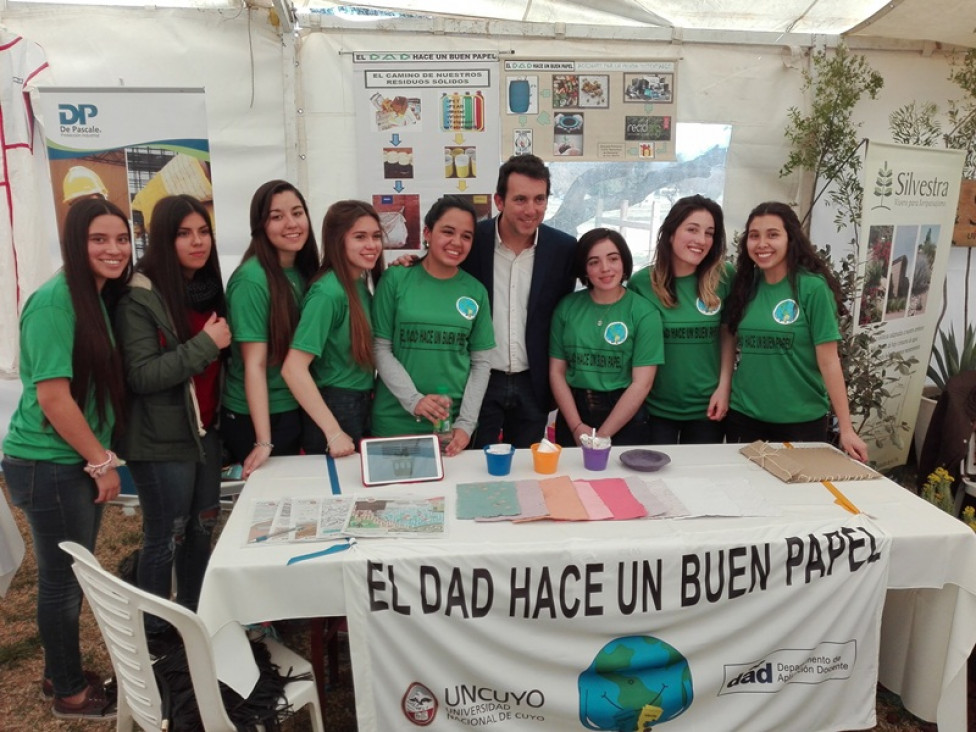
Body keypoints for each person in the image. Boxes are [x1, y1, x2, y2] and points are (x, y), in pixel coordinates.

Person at [2, 198, 131, 720]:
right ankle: (70, 694)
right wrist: (101, 463)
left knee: (69, 574)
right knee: (62, 579)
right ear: (75, 244)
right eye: (99, 239)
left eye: (121, 239)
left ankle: (60, 673)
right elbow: (54, 399)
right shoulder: (56, 302)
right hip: (48, 463)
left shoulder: (92, 296)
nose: (113, 249)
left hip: (64, 462)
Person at [113, 195, 230, 637]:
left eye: (203, 231)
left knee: (203, 527)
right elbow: (141, 375)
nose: (197, 241)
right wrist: (207, 343)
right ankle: (158, 635)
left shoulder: (207, 288)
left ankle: (194, 622)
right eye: (184, 233)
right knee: (167, 537)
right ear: (164, 238)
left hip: (205, 431)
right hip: (161, 439)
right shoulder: (139, 297)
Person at [724, 201, 869, 461]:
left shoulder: (812, 288)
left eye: (773, 234)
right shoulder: (745, 286)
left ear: (791, 239)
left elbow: (829, 362)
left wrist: (846, 429)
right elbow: (729, 340)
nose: (762, 243)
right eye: (754, 236)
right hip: (744, 417)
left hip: (800, 422)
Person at [462, 154, 577, 448]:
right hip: (480, 379)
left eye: (539, 199)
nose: (531, 210)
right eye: (521, 199)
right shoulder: (473, 241)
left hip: (534, 381)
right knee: (475, 462)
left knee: (527, 471)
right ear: (499, 201)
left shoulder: (563, 249)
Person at [371, 195, 495, 455]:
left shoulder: (476, 291)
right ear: (427, 232)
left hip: (449, 430)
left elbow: (481, 363)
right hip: (394, 423)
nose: (456, 243)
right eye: (447, 232)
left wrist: (466, 424)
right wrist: (414, 401)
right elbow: (380, 348)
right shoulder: (396, 279)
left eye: (466, 236)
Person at [221, 180, 319, 477]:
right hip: (259, 417)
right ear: (260, 225)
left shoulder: (303, 270)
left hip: (295, 408)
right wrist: (264, 441)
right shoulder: (251, 280)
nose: (291, 224)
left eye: (297, 213)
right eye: (277, 217)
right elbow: (255, 364)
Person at [628, 195, 735, 444]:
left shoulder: (725, 277)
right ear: (671, 232)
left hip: (708, 408)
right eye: (692, 229)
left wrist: (724, 387)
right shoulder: (641, 283)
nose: (701, 240)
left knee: (700, 481)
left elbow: (728, 336)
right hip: (654, 410)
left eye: (709, 233)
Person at [282, 200, 384, 456]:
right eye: (360, 237)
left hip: (360, 402)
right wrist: (333, 431)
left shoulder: (359, 283)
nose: (371, 245)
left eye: (375, 236)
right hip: (335, 405)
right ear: (338, 240)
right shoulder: (328, 292)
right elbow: (293, 368)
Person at [550, 228, 663, 446]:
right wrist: (576, 426)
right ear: (584, 268)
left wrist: (602, 437)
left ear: (624, 262)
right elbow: (557, 371)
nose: (605, 268)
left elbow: (642, 383)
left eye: (613, 258)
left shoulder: (644, 312)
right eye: (593, 262)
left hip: (624, 417)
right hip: (575, 415)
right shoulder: (567, 308)